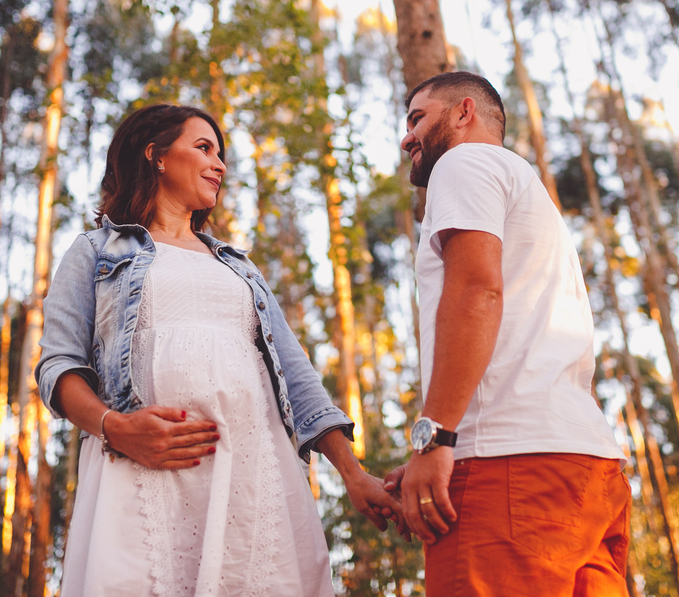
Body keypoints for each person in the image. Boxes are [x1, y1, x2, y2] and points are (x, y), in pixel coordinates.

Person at [35, 103, 402, 597]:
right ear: (156, 156)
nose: (220, 165)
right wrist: (116, 427)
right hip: (142, 470)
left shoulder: (238, 266)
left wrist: (353, 474)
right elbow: (59, 367)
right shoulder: (97, 250)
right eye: (203, 148)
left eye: (220, 153)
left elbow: (295, 374)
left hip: (254, 473)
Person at [384, 72, 631, 596]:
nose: (406, 137)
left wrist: (436, 438)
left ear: (463, 113)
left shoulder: (463, 162)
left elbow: (477, 291)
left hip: (506, 468)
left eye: (416, 119)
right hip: (585, 469)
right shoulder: (526, 188)